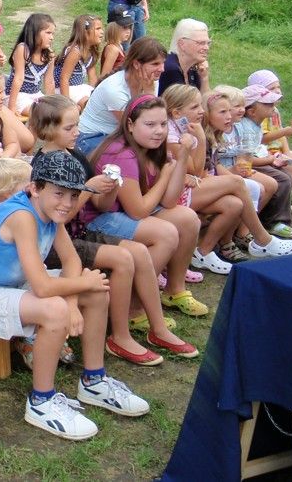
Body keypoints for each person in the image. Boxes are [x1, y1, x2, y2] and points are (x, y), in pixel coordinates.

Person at [0, 151, 149, 441]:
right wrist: (71, 297)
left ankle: (94, 381)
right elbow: (43, 288)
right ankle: (41, 401)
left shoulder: (51, 213)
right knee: (56, 309)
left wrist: (73, 303)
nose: (67, 203)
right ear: (34, 188)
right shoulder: (22, 217)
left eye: (73, 195)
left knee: (95, 290)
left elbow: (71, 260)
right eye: (59, 193)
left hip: (11, 285)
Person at [30, 95, 197, 365]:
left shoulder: (74, 156)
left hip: (78, 232)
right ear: (48, 130)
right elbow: (56, 218)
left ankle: (158, 329)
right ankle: (120, 336)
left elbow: (101, 206)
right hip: (57, 241)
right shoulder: (45, 166)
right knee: (123, 258)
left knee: (138, 251)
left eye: (77, 125)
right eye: (70, 128)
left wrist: (110, 188)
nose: (78, 132)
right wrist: (89, 189)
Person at [82, 95, 209, 317]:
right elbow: (138, 211)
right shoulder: (121, 154)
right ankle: (132, 306)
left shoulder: (150, 148)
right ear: (130, 125)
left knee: (188, 219)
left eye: (163, 124)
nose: (159, 131)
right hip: (98, 220)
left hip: (124, 212)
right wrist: (165, 176)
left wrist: (182, 158)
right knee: (166, 234)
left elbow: (169, 201)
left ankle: (174, 290)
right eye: (150, 124)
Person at [196, 89, 292, 260]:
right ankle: (261, 239)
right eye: (223, 112)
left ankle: (222, 244)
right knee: (240, 185)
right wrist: (232, 176)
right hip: (196, 186)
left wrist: (234, 173)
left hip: (210, 180)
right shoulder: (201, 137)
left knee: (249, 190)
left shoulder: (215, 134)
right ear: (207, 113)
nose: (229, 116)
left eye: (229, 111)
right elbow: (201, 173)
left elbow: (215, 164)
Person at [76, 37, 166, 155]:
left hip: (117, 134)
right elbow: (136, 128)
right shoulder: (115, 89)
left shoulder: (151, 80)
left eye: (163, 63)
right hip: (91, 137)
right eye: (155, 64)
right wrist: (149, 93)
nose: (162, 69)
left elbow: (152, 121)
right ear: (136, 64)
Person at [236, 84, 292, 240]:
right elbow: (246, 159)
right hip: (246, 165)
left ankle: (268, 216)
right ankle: (273, 221)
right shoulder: (247, 128)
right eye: (268, 104)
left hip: (254, 161)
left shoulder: (255, 125)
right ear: (252, 111)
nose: (273, 106)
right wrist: (271, 159)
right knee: (282, 179)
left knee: (285, 175)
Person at [247, 69, 292, 185]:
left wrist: (287, 152)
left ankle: (285, 189)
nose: (277, 90)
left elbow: (280, 133)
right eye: (272, 88)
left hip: (278, 150)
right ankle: (280, 192)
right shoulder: (260, 113)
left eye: (278, 87)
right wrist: (284, 132)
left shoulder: (274, 111)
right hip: (265, 152)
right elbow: (262, 139)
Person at [6, 13, 56, 116]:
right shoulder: (23, 50)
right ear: (34, 32)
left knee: (53, 112)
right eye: (48, 33)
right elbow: (18, 79)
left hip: (35, 95)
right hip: (18, 95)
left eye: (52, 34)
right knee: (41, 113)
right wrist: (11, 107)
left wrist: (53, 104)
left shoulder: (50, 55)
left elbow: (49, 81)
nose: (51, 37)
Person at [55, 14, 103, 109]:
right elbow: (64, 78)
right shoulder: (75, 51)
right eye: (98, 29)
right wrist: (67, 104)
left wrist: (96, 93)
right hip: (64, 89)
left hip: (79, 87)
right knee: (89, 105)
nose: (102, 32)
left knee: (100, 101)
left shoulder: (91, 50)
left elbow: (92, 77)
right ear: (85, 32)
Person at [158, 18, 211, 96]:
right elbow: (183, 103)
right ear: (182, 44)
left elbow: (206, 101)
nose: (206, 48)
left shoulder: (192, 68)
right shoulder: (171, 69)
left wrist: (204, 78)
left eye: (208, 43)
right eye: (201, 43)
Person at [100, 9, 133, 80]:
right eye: (124, 27)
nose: (128, 31)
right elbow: (104, 76)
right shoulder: (113, 49)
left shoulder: (119, 46)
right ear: (113, 28)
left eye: (130, 27)